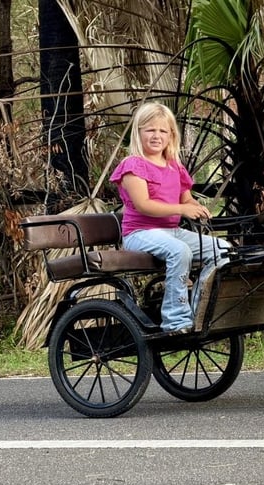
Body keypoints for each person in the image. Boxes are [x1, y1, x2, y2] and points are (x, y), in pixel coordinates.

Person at [110, 102, 231, 334]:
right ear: (138, 132)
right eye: (150, 130)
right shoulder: (133, 165)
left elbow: (187, 200)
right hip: (140, 233)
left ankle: (199, 310)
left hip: (172, 233)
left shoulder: (174, 166)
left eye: (163, 131)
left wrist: (197, 208)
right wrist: (182, 209)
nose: (157, 136)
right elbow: (144, 205)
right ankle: (175, 320)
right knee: (179, 251)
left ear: (171, 135)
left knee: (223, 250)